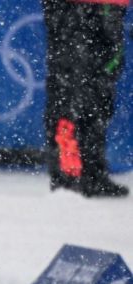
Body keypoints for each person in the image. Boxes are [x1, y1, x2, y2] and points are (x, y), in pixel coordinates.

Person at [42, 0, 129, 197]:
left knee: (99, 96)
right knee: (71, 93)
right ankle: (70, 175)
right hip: (74, 7)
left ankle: (92, 173)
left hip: (110, 8)